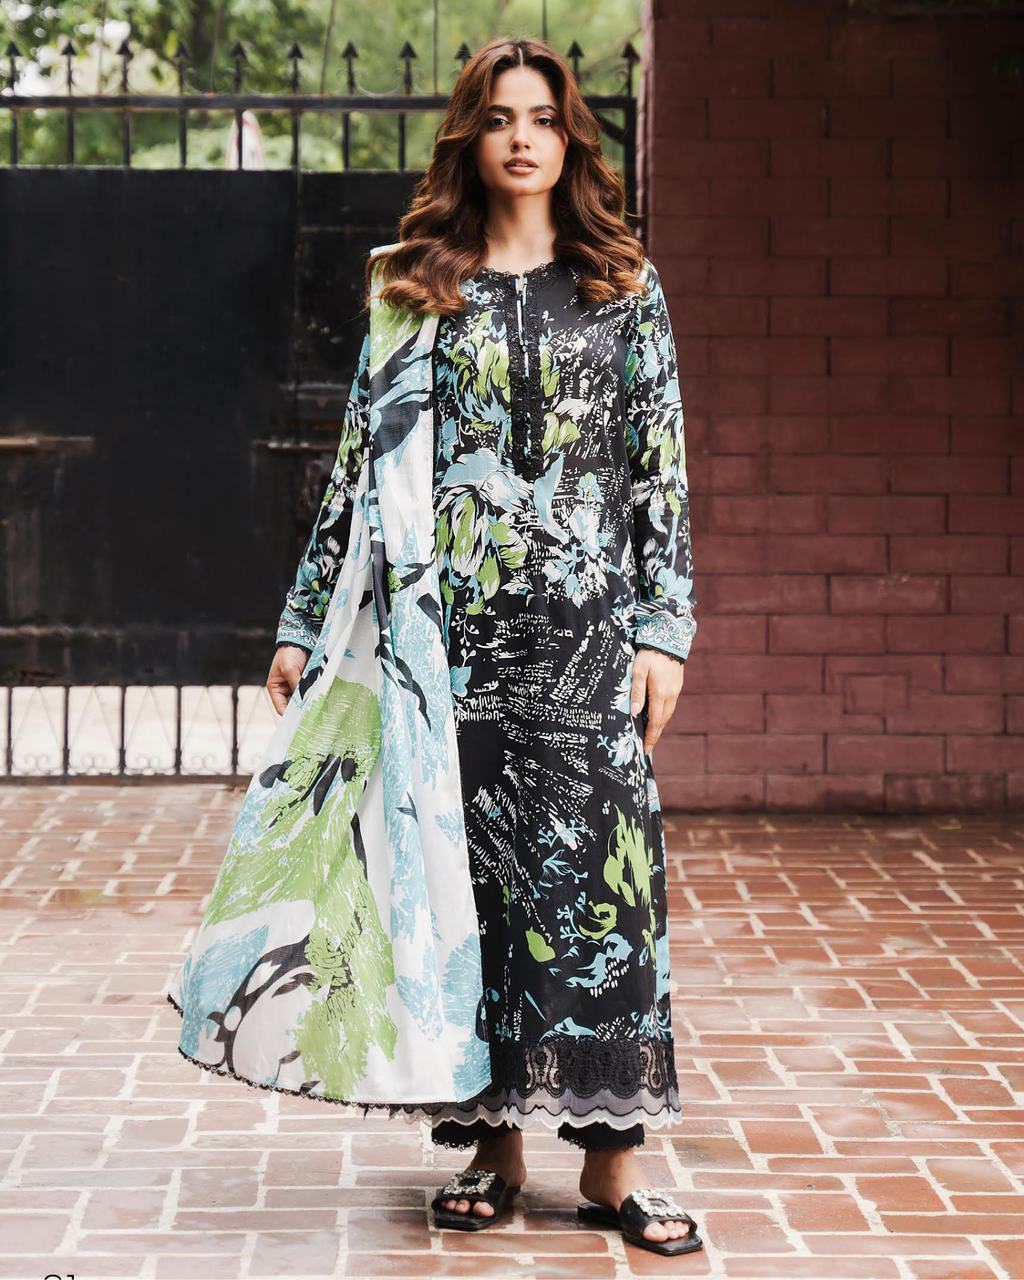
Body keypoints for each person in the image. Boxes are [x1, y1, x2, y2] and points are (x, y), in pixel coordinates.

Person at [266, 37, 700, 1259]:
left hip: (583, 644)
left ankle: (614, 1160)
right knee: (470, 896)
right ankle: (492, 1146)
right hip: (446, 648)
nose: (522, 136)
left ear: (571, 140)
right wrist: (307, 620)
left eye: (544, 118)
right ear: (471, 137)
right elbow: (359, 465)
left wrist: (663, 628)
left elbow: (656, 474)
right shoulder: (416, 288)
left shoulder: (624, 287)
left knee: (606, 893)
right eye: (501, 118)